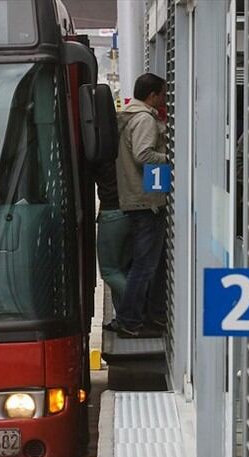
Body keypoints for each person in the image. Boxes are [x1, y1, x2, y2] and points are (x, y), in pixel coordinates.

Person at [111, 73, 170, 338]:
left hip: (139, 198)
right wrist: (172, 157)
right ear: (153, 95)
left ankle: (151, 316)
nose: (165, 98)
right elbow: (143, 154)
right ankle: (129, 320)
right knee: (145, 266)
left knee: (149, 264)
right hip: (146, 201)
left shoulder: (130, 116)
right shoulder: (144, 118)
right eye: (162, 93)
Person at [93, 158, 132, 313]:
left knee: (110, 270)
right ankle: (123, 316)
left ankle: (137, 305)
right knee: (121, 269)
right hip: (129, 210)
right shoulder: (122, 146)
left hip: (111, 212)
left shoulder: (104, 152)